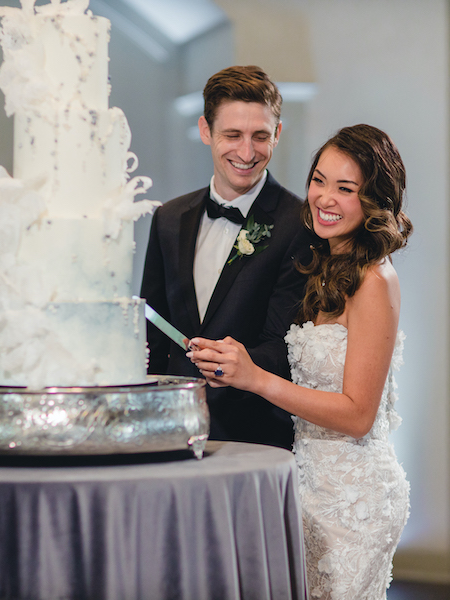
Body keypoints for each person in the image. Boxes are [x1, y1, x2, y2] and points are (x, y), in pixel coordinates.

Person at [188, 124, 412, 599]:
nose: (324, 198)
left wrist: (256, 379)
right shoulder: (325, 266)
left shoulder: (375, 281)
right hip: (306, 485)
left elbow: (357, 414)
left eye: (345, 188)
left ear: (374, 200)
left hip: (355, 500)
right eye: (319, 180)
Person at [140, 65, 312, 448]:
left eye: (260, 136)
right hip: (169, 431)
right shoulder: (168, 218)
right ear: (206, 131)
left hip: (256, 434)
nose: (247, 152)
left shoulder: (300, 225)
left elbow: (289, 345)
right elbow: (151, 332)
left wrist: (242, 364)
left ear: (278, 135)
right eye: (232, 135)